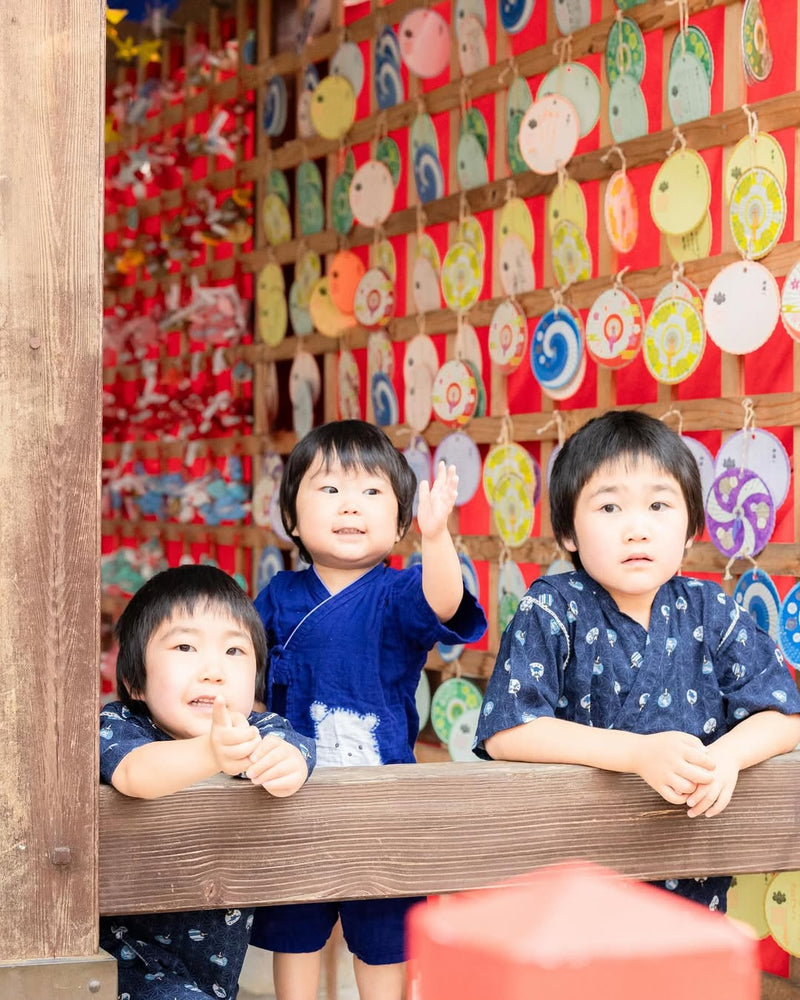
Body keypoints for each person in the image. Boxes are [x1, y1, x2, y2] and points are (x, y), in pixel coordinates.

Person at [475, 409, 800, 912]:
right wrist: (636, 755)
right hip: (574, 876)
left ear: (692, 528)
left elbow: (784, 714)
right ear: (567, 533)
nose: (636, 529)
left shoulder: (711, 609)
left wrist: (729, 757)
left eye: (658, 505)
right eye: (608, 508)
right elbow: (507, 732)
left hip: (692, 871)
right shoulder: (551, 608)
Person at [250, 419, 487, 1000]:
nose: (350, 505)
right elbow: (248, 680)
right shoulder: (278, 596)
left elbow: (445, 600)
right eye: (329, 490)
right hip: (290, 799)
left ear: (402, 520)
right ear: (292, 518)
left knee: (384, 938)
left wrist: (437, 538)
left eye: (372, 491)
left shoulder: (400, 589)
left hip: (382, 803)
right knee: (295, 935)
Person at [99, 564, 316, 1000]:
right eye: (185, 646)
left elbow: (297, 748)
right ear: (133, 681)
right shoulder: (119, 724)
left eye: (235, 652)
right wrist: (211, 753)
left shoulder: (258, 727)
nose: (214, 670)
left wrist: (287, 762)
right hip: (128, 964)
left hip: (215, 974)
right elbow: (134, 773)